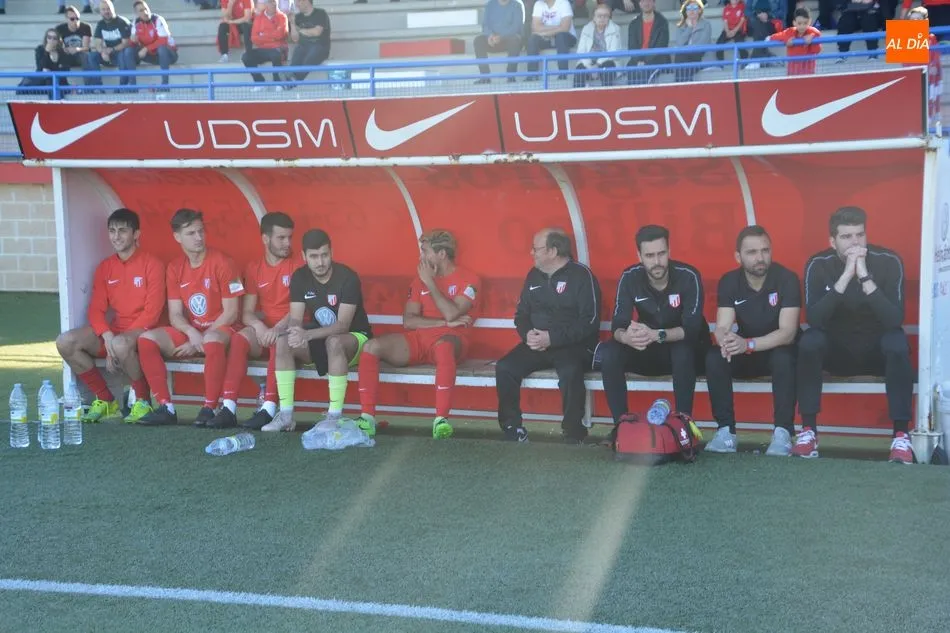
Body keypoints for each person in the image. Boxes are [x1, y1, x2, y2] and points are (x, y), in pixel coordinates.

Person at [796, 207, 914, 463]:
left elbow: (894, 319)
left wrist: (863, 275)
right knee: (809, 341)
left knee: (897, 342)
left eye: (860, 235)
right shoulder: (818, 264)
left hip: (875, 351)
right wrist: (846, 274)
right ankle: (808, 431)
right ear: (832, 241)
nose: (855, 242)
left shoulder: (888, 260)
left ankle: (901, 436)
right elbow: (814, 319)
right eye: (847, 236)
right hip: (836, 352)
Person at [356, 230, 480, 439]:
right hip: (420, 340)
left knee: (444, 348)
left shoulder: (468, 279)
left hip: (452, 340)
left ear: (441, 254)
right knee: (371, 346)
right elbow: (409, 321)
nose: (421, 257)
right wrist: (443, 321)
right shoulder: (418, 281)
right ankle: (367, 418)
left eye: (425, 251)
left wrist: (430, 283)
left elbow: (452, 312)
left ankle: (441, 420)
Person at [136, 209, 245, 427]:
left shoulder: (224, 263)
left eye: (200, 231)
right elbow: (175, 314)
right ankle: (166, 407)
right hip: (195, 331)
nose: (198, 237)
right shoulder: (175, 268)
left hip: (224, 327)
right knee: (146, 340)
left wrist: (199, 340)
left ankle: (210, 406)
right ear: (177, 237)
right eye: (191, 233)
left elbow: (231, 312)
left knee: (212, 340)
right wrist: (192, 334)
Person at [55, 208, 165, 423]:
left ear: (136, 234)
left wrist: (117, 342)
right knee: (65, 342)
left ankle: (142, 401)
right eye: (112, 231)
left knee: (122, 344)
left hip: (146, 332)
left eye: (123, 231)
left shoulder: (152, 264)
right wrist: (107, 336)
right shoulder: (105, 267)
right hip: (115, 334)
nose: (116, 236)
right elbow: (96, 310)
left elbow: (152, 313)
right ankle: (106, 401)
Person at [496, 228, 602, 444]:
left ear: (553, 251)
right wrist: (528, 335)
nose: (531, 253)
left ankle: (573, 431)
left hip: (573, 345)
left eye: (536, 248)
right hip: (537, 344)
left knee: (570, 370)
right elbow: (521, 315)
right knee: (505, 367)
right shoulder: (533, 275)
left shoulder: (582, 275)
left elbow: (589, 321)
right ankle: (512, 427)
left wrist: (552, 338)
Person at [597, 225, 707, 432]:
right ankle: (621, 427)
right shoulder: (630, 277)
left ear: (669, 252)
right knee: (611, 351)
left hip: (680, 352)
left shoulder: (688, 275)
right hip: (646, 350)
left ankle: (684, 426)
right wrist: (627, 338)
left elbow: (691, 329)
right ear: (639, 255)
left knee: (683, 351)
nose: (656, 262)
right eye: (649, 255)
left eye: (661, 254)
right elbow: (618, 326)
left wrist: (658, 335)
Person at [705, 225, 801, 455]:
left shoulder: (787, 278)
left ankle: (783, 433)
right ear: (738, 256)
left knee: (784, 356)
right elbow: (722, 326)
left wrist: (747, 344)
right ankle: (726, 431)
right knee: (714, 356)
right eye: (752, 252)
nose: (760, 258)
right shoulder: (729, 281)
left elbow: (787, 332)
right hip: (747, 351)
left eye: (765, 250)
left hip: (775, 349)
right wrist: (725, 340)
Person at [270, 229, 373, 432]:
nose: (320, 262)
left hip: (355, 338)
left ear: (331, 253)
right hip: (319, 336)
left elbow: (343, 325)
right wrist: (294, 333)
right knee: (282, 342)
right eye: (314, 256)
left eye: (324, 255)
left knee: (334, 341)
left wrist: (306, 335)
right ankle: (286, 415)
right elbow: (296, 319)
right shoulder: (300, 277)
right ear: (304, 256)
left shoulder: (348, 277)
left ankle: (334, 416)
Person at [205, 212, 296, 430]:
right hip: (266, 329)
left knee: (279, 340)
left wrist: (275, 329)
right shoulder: (254, 268)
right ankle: (228, 407)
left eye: (289, 238)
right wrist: (260, 327)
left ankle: (269, 408)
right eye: (281, 238)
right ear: (265, 239)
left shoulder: (298, 265)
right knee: (239, 339)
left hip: (291, 328)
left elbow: (298, 310)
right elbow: (246, 313)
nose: (287, 243)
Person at [88, 0, 137, 88]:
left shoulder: (122, 22)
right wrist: (103, 52)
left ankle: (122, 86)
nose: (106, 11)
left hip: (123, 53)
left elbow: (126, 43)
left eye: (108, 9)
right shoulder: (101, 24)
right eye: (103, 9)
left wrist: (112, 49)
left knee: (123, 54)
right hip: (110, 54)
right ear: (100, 11)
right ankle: (98, 87)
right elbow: (97, 43)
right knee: (92, 56)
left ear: (113, 9)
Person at [473, 0, 524, 83]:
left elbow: (516, 27)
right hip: (492, 40)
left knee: (515, 41)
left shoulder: (516, 5)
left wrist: (501, 36)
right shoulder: (490, 5)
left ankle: (510, 76)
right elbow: (485, 24)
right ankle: (485, 77)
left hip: (508, 40)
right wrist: (490, 35)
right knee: (478, 41)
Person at [242, 0, 290, 88]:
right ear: (266, 4)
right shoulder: (258, 18)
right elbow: (254, 38)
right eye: (271, 2)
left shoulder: (282, 17)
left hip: (278, 48)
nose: (274, 4)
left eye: (275, 2)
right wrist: (272, 36)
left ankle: (277, 82)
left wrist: (263, 35)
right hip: (264, 49)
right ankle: (259, 82)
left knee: (276, 54)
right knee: (246, 57)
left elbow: (281, 35)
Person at [130, 1, 178, 87]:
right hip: (152, 56)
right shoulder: (136, 23)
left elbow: (163, 40)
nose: (145, 12)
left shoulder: (158, 19)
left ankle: (165, 85)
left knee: (161, 48)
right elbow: (132, 41)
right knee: (128, 51)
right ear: (137, 13)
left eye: (146, 9)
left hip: (169, 55)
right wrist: (133, 41)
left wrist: (145, 49)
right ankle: (133, 86)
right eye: (141, 10)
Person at [573, 4, 622, 87]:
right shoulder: (586, 28)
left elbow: (614, 53)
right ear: (594, 18)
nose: (602, 18)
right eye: (599, 16)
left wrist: (597, 65)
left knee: (607, 67)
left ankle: (606, 97)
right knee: (579, 70)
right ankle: (578, 98)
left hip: (606, 62)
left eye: (605, 16)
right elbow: (581, 51)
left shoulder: (615, 29)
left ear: (609, 17)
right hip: (589, 63)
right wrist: (589, 66)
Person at [525, 0, 577, 78]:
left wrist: (544, 32)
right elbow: (535, 27)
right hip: (547, 38)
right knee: (533, 39)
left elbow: (565, 28)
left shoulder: (564, 3)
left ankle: (563, 74)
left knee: (561, 36)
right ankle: (532, 75)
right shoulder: (538, 4)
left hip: (567, 38)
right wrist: (558, 27)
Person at [624, 0, 671, 84]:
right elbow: (631, 46)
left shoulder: (662, 22)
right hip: (638, 59)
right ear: (639, 4)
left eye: (649, 0)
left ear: (654, 3)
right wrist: (639, 60)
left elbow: (661, 45)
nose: (646, 3)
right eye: (643, 1)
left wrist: (645, 61)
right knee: (630, 69)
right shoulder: (633, 24)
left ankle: (644, 96)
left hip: (657, 58)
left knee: (644, 72)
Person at [767, 7, 819, 75]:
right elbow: (777, 36)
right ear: (794, 22)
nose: (802, 26)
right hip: (793, 71)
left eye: (805, 23)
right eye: (799, 23)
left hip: (808, 71)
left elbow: (817, 50)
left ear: (809, 21)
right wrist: (786, 40)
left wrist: (813, 37)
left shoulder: (813, 33)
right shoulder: (789, 32)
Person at [18, 29, 71, 96]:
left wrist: (51, 72)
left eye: (54, 38)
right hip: (42, 82)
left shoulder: (63, 52)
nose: (51, 40)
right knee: (27, 80)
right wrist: (46, 52)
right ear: (46, 39)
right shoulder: (40, 49)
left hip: (58, 81)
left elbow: (66, 70)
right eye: (49, 37)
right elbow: (40, 68)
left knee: (51, 80)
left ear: (58, 40)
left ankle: (54, 104)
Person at [287, 0, 330, 82]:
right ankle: (290, 77)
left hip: (320, 47)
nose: (296, 4)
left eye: (298, 1)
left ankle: (295, 79)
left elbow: (317, 32)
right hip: (304, 47)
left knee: (314, 50)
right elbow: (295, 38)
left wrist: (300, 29)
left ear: (306, 1)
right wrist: (292, 23)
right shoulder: (298, 17)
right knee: (299, 49)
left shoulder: (321, 13)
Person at [55, 5, 96, 82]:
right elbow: (59, 46)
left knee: (85, 55)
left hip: (80, 55)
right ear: (67, 19)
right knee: (59, 56)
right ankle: (61, 85)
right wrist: (66, 49)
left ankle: (91, 87)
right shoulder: (60, 29)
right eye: (72, 19)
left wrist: (77, 49)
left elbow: (86, 48)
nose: (75, 21)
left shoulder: (86, 27)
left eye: (77, 18)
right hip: (67, 55)